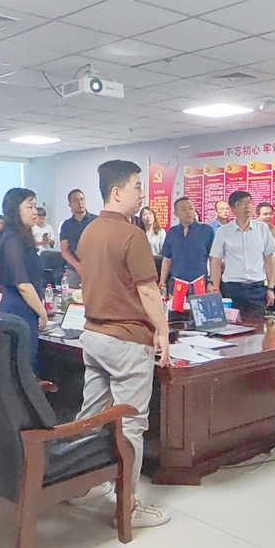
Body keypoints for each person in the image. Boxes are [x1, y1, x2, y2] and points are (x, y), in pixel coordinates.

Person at [74, 160, 171, 528]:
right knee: (130, 424)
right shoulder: (132, 235)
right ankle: (127, 507)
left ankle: (77, 485)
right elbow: (148, 291)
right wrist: (163, 332)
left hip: (93, 336)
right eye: (137, 186)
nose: (142, 194)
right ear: (117, 192)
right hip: (127, 341)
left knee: (90, 416)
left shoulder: (89, 232)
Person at [0, 188, 48, 376]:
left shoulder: (21, 236)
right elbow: (23, 284)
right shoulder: (12, 238)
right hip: (19, 309)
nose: (35, 211)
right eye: (30, 206)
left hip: (26, 308)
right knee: (22, 367)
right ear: (15, 209)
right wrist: (42, 313)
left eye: (35, 206)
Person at [208, 190, 275, 314]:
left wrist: (270, 288)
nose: (247, 207)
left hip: (257, 287)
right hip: (232, 287)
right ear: (233, 209)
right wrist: (216, 288)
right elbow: (215, 261)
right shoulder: (223, 231)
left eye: (249, 202)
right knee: (231, 323)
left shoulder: (262, 228)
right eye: (241, 203)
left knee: (258, 323)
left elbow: (269, 259)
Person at [158, 197, 213, 293]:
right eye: (183, 209)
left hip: (199, 283)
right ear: (176, 213)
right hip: (176, 284)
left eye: (191, 208)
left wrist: (211, 281)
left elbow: (213, 259)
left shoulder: (206, 230)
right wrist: (162, 281)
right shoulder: (172, 232)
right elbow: (167, 259)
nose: (188, 212)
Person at [59, 189, 96, 287]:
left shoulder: (96, 220)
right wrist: (78, 266)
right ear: (70, 204)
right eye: (75, 200)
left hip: (95, 268)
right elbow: (64, 251)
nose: (80, 203)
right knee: (72, 295)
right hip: (74, 269)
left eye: (82, 199)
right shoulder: (66, 225)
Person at [257, 202, 275, 304]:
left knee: (274, 310)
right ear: (258, 216)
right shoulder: (252, 232)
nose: (268, 216)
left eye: (271, 214)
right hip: (257, 280)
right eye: (265, 214)